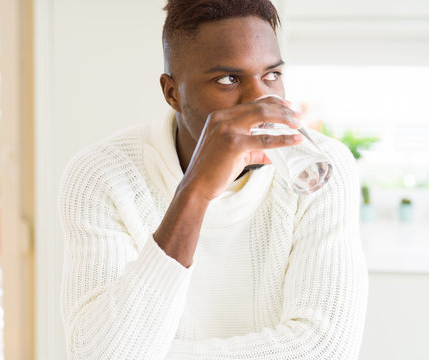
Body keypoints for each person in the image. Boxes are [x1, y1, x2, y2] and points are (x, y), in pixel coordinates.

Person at [58, 0, 368, 359]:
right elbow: (97, 354)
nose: (260, 101)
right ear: (172, 92)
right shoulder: (100, 175)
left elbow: (326, 348)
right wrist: (195, 193)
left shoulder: (321, 169)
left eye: (272, 75)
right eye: (227, 79)